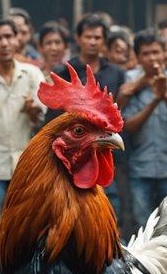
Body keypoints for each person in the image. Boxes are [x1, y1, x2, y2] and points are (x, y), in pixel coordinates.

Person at [0, 18, 45, 247]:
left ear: (17, 40)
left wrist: (33, 110)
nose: (5, 43)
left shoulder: (33, 74)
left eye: (9, 37)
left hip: (26, 163)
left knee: (31, 226)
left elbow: (40, 117)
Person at [50, 15, 127, 216]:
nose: (93, 42)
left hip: (105, 148)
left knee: (111, 204)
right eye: (88, 37)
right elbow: (54, 119)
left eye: (98, 37)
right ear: (78, 38)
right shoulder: (65, 71)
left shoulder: (116, 72)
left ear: (104, 41)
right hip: (75, 152)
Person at [118, 29, 167, 223]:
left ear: (164, 52)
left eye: (156, 52)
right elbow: (128, 126)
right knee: (143, 226)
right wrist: (154, 101)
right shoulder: (129, 82)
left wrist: (166, 96)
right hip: (140, 168)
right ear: (138, 57)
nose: (152, 58)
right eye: (146, 54)